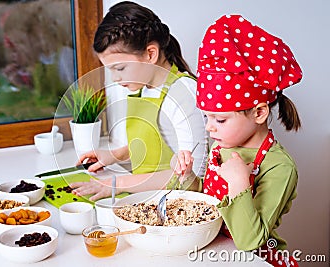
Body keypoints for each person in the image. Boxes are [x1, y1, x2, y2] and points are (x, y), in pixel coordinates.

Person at [173, 14, 302, 266]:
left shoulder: (279, 167)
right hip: (214, 252)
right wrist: (188, 177)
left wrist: (240, 182)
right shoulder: (221, 146)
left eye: (219, 119)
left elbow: (249, 241)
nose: (209, 127)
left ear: (259, 113)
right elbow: (209, 203)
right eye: (207, 117)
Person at [70, 1, 208, 201]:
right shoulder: (143, 87)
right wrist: (116, 155)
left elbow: (194, 178)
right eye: (111, 70)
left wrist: (118, 183)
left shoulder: (183, 93)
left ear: (150, 54)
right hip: (150, 199)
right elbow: (156, 145)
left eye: (120, 69)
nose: (115, 79)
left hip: (181, 205)